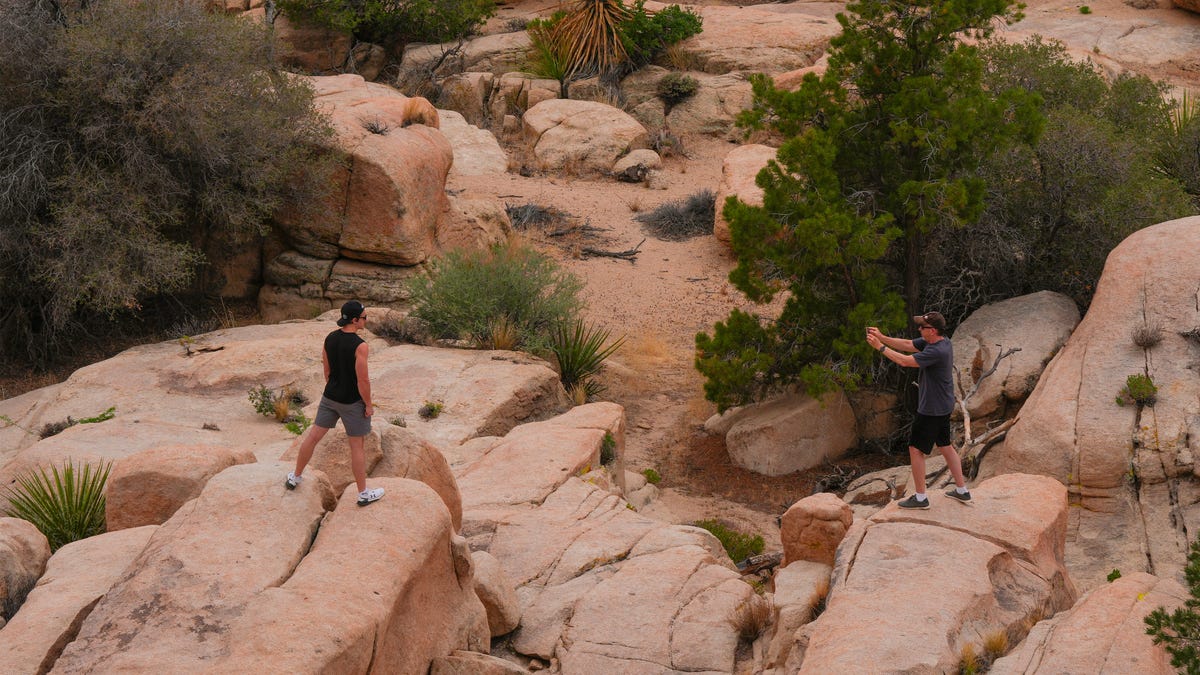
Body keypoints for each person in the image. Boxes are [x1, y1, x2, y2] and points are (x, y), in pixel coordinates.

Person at [866, 312, 971, 509]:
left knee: (916, 449)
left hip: (931, 408)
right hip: (943, 404)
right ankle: (962, 490)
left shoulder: (936, 351)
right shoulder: (940, 341)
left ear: (932, 331)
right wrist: (881, 336)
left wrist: (879, 347)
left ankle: (921, 498)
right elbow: (907, 344)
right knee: (945, 445)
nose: (919, 329)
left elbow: (905, 361)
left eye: (922, 327)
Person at [285, 300, 385, 506]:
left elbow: (327, 371)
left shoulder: (330, 338)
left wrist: (334, 388)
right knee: (357, 446)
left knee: (313, 437)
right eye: (364, 317)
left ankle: (295, 476)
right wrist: (368, 405)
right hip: (352, 402)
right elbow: (363, 380)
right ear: (356, 320)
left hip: (330, 397)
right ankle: (363, 493)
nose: (366, 320)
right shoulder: (360, 346)